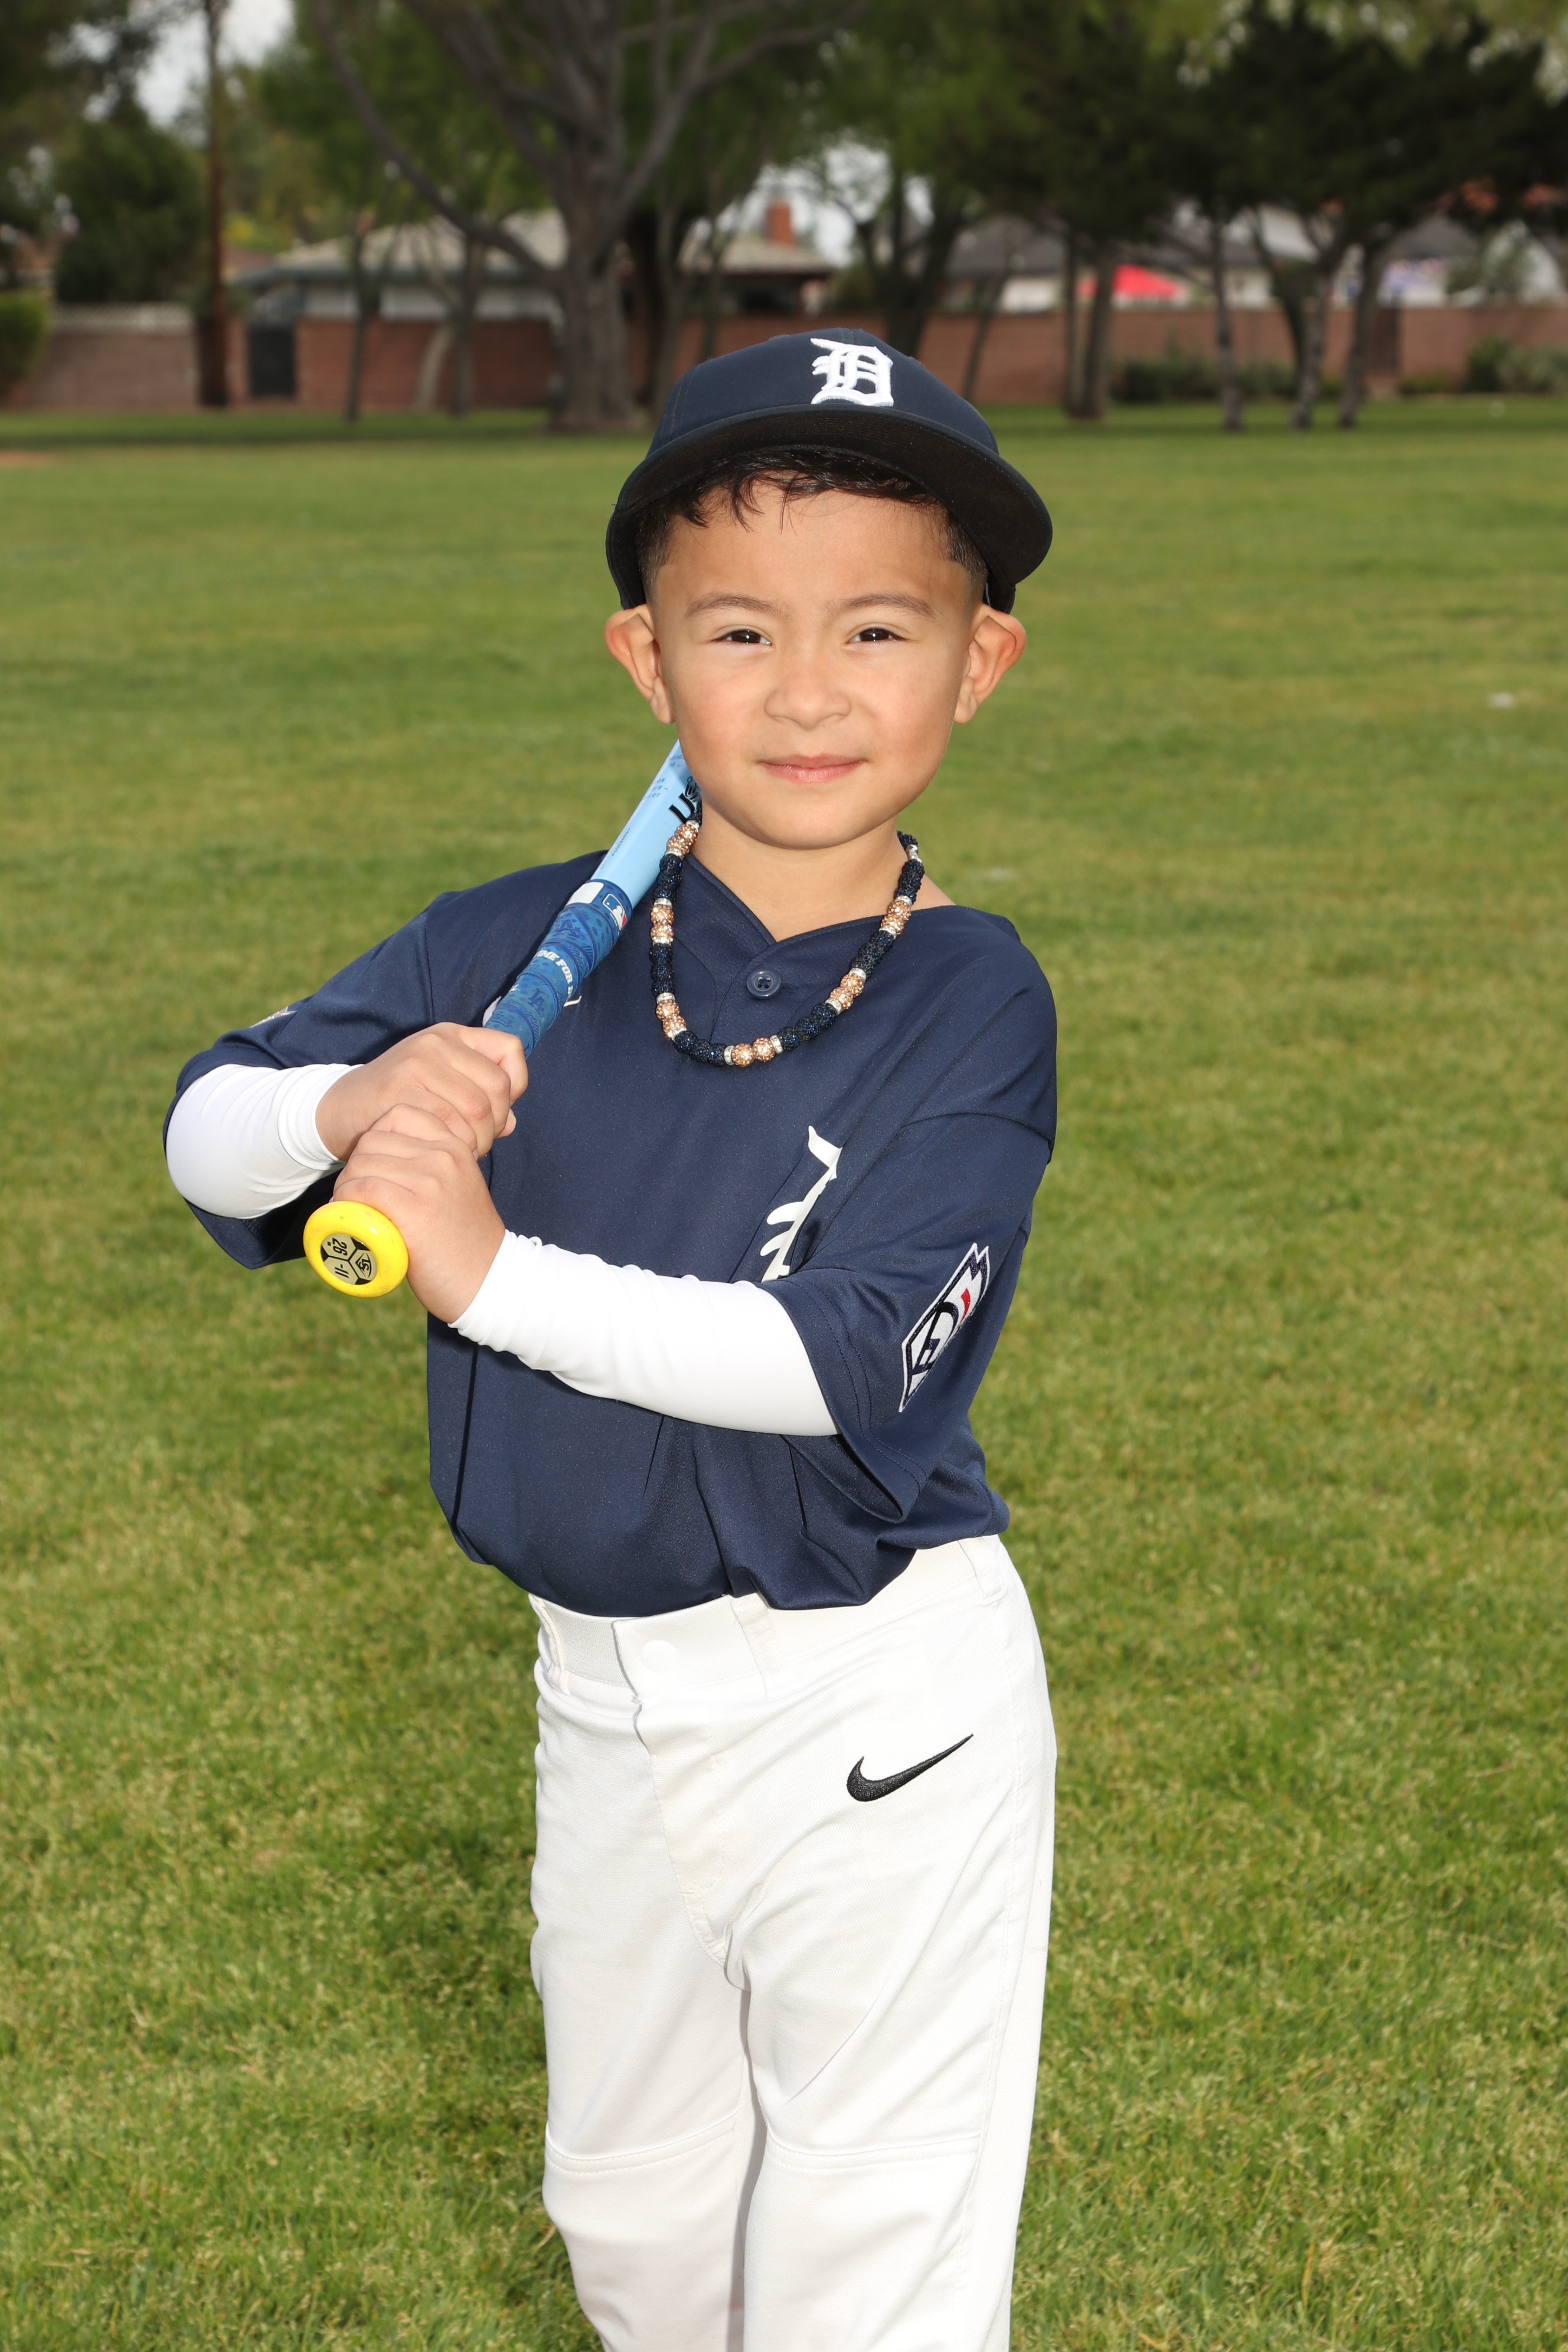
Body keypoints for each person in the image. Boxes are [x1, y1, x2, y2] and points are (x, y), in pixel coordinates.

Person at [165, 329, 1058, 2352]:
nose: (809, 691)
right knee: (637, 2239)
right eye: (741, 631)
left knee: (862, 2270)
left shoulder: (972, 1001)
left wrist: (489, 1276)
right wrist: (350, 1101)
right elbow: (209, 1140)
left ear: (977, 663)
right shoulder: (514, 939)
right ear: (648, 664)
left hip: (873, 1709)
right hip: (599, 1702)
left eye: (879, 629)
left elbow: (845, 1362)